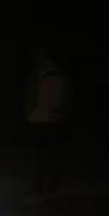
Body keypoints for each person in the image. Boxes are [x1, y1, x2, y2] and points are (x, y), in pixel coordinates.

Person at [24, 46, 71, 199]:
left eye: (39, 56)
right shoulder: (39, 74)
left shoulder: (53, 74)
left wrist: (60, 110)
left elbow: (64, 95)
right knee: (42, 156)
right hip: (41, 119)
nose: (36, 59)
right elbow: (31, 94)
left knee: (48, 156)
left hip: (47, 119)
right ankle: (41, 189)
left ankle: (47, 189)